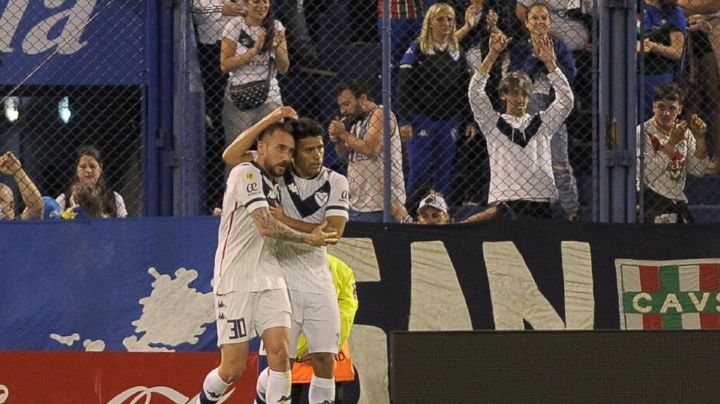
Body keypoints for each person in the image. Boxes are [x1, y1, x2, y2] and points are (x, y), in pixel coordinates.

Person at [192, 117, 338, 404]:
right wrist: (271, 117)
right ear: (261, 146)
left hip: (271, 278)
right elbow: (265, 225)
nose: (286, 156)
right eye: (280, 148)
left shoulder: (277, 177)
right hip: (235, 280)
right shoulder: (245, 173)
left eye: (290, 150)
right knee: (232, 369)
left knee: (281, 355)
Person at [469, 30, 574, 219]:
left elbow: (566, 101)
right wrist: (492, 56)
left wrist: (551, 64)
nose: (521, 99)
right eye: (515, 93)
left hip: (540, 198)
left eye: (525, 94)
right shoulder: (492, 123)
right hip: (504, 199)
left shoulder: (542, 122)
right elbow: (475, 93)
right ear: (503, 95)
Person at [508, 2, 580, 220]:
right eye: (535, 18)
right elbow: (514, 79)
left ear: (550, 22)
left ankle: (571, 211)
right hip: (526, 112)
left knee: (560, 165)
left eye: (543, 18)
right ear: (527, 23)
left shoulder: (560, 46)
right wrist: (533, 59)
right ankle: (524, 211)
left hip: (552, 110)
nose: (539, 22)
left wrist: (550, 62)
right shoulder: (520, 48)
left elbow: (570, 75)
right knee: (527, 164)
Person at [398, 3, 472, 203]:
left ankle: (441, 214)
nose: (446, 23)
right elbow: (403, 86)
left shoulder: (458, 52)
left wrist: (470, 120)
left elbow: (466, 89)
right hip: (421, 119)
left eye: (449, 19)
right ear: (429, 23)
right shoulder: (417, 49)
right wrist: (404, 120)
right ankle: (411, 211)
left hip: (450, 120)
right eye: (440, 19)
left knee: (444, 171)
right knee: (419, 169)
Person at [328, 80, 409, 222]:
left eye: (346, 104)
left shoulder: (381, 114)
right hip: (356, 205)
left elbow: (371, 149)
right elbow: (344, 158)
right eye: (340, 106)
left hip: (382, 206)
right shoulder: (355, 123)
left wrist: (343, 134)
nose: (342, 111)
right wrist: (338, 141)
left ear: (363, 98)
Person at [221, 0, 289, 145]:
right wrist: (253, 51)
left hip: (270, 97)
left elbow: (284, 68)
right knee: (236, 151)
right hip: (238, 97)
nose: (261, 6)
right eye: (256, 2)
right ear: (246, 3)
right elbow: (225, 65)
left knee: (274, 149)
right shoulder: (235, 25)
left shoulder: (276, 26)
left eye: (265, 2)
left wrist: (277, 48)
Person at [638, 82, 708, 223]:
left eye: (672, 108)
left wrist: (700, 139)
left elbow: (698, 170)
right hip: (650, 201)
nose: (666, 113)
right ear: (653, 107)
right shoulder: (642, 132)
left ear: (680, 110)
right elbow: (649, 174)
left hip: (677, 202)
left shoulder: (685, 132)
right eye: (661, 107)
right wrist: (671, 144)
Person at [638, 0, 687, 120]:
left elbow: (677, 52)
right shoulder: (634, 6)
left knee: (658, 122)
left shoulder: (674, 12)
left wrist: (653, 46)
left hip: (659, 75)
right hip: (631, 74)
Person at [56, 146, 127, 218]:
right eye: (83, 167)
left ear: (100, 168)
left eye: (92, 166)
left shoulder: (115, 198)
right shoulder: (63, 200)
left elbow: (124, 227)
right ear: (77, 169)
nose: (88, 170)